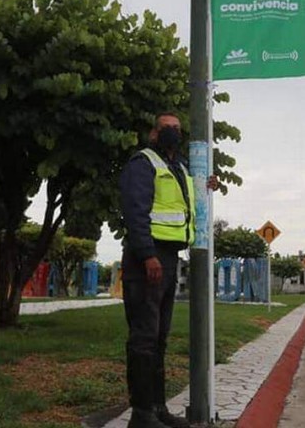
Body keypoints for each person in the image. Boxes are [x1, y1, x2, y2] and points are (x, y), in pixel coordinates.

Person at [119, 112, 217, 428]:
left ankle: (157, 408)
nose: (173, 132)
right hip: (146, 259)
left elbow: (188, 198)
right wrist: (148, 255)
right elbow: (135, 212)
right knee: (144, 337)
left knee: (159, 338)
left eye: (177, 128)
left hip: (170, 258)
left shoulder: (181, 167)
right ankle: (141, 414)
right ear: (153, 133)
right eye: (166, 128)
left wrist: (207, 185)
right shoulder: (143, 163)